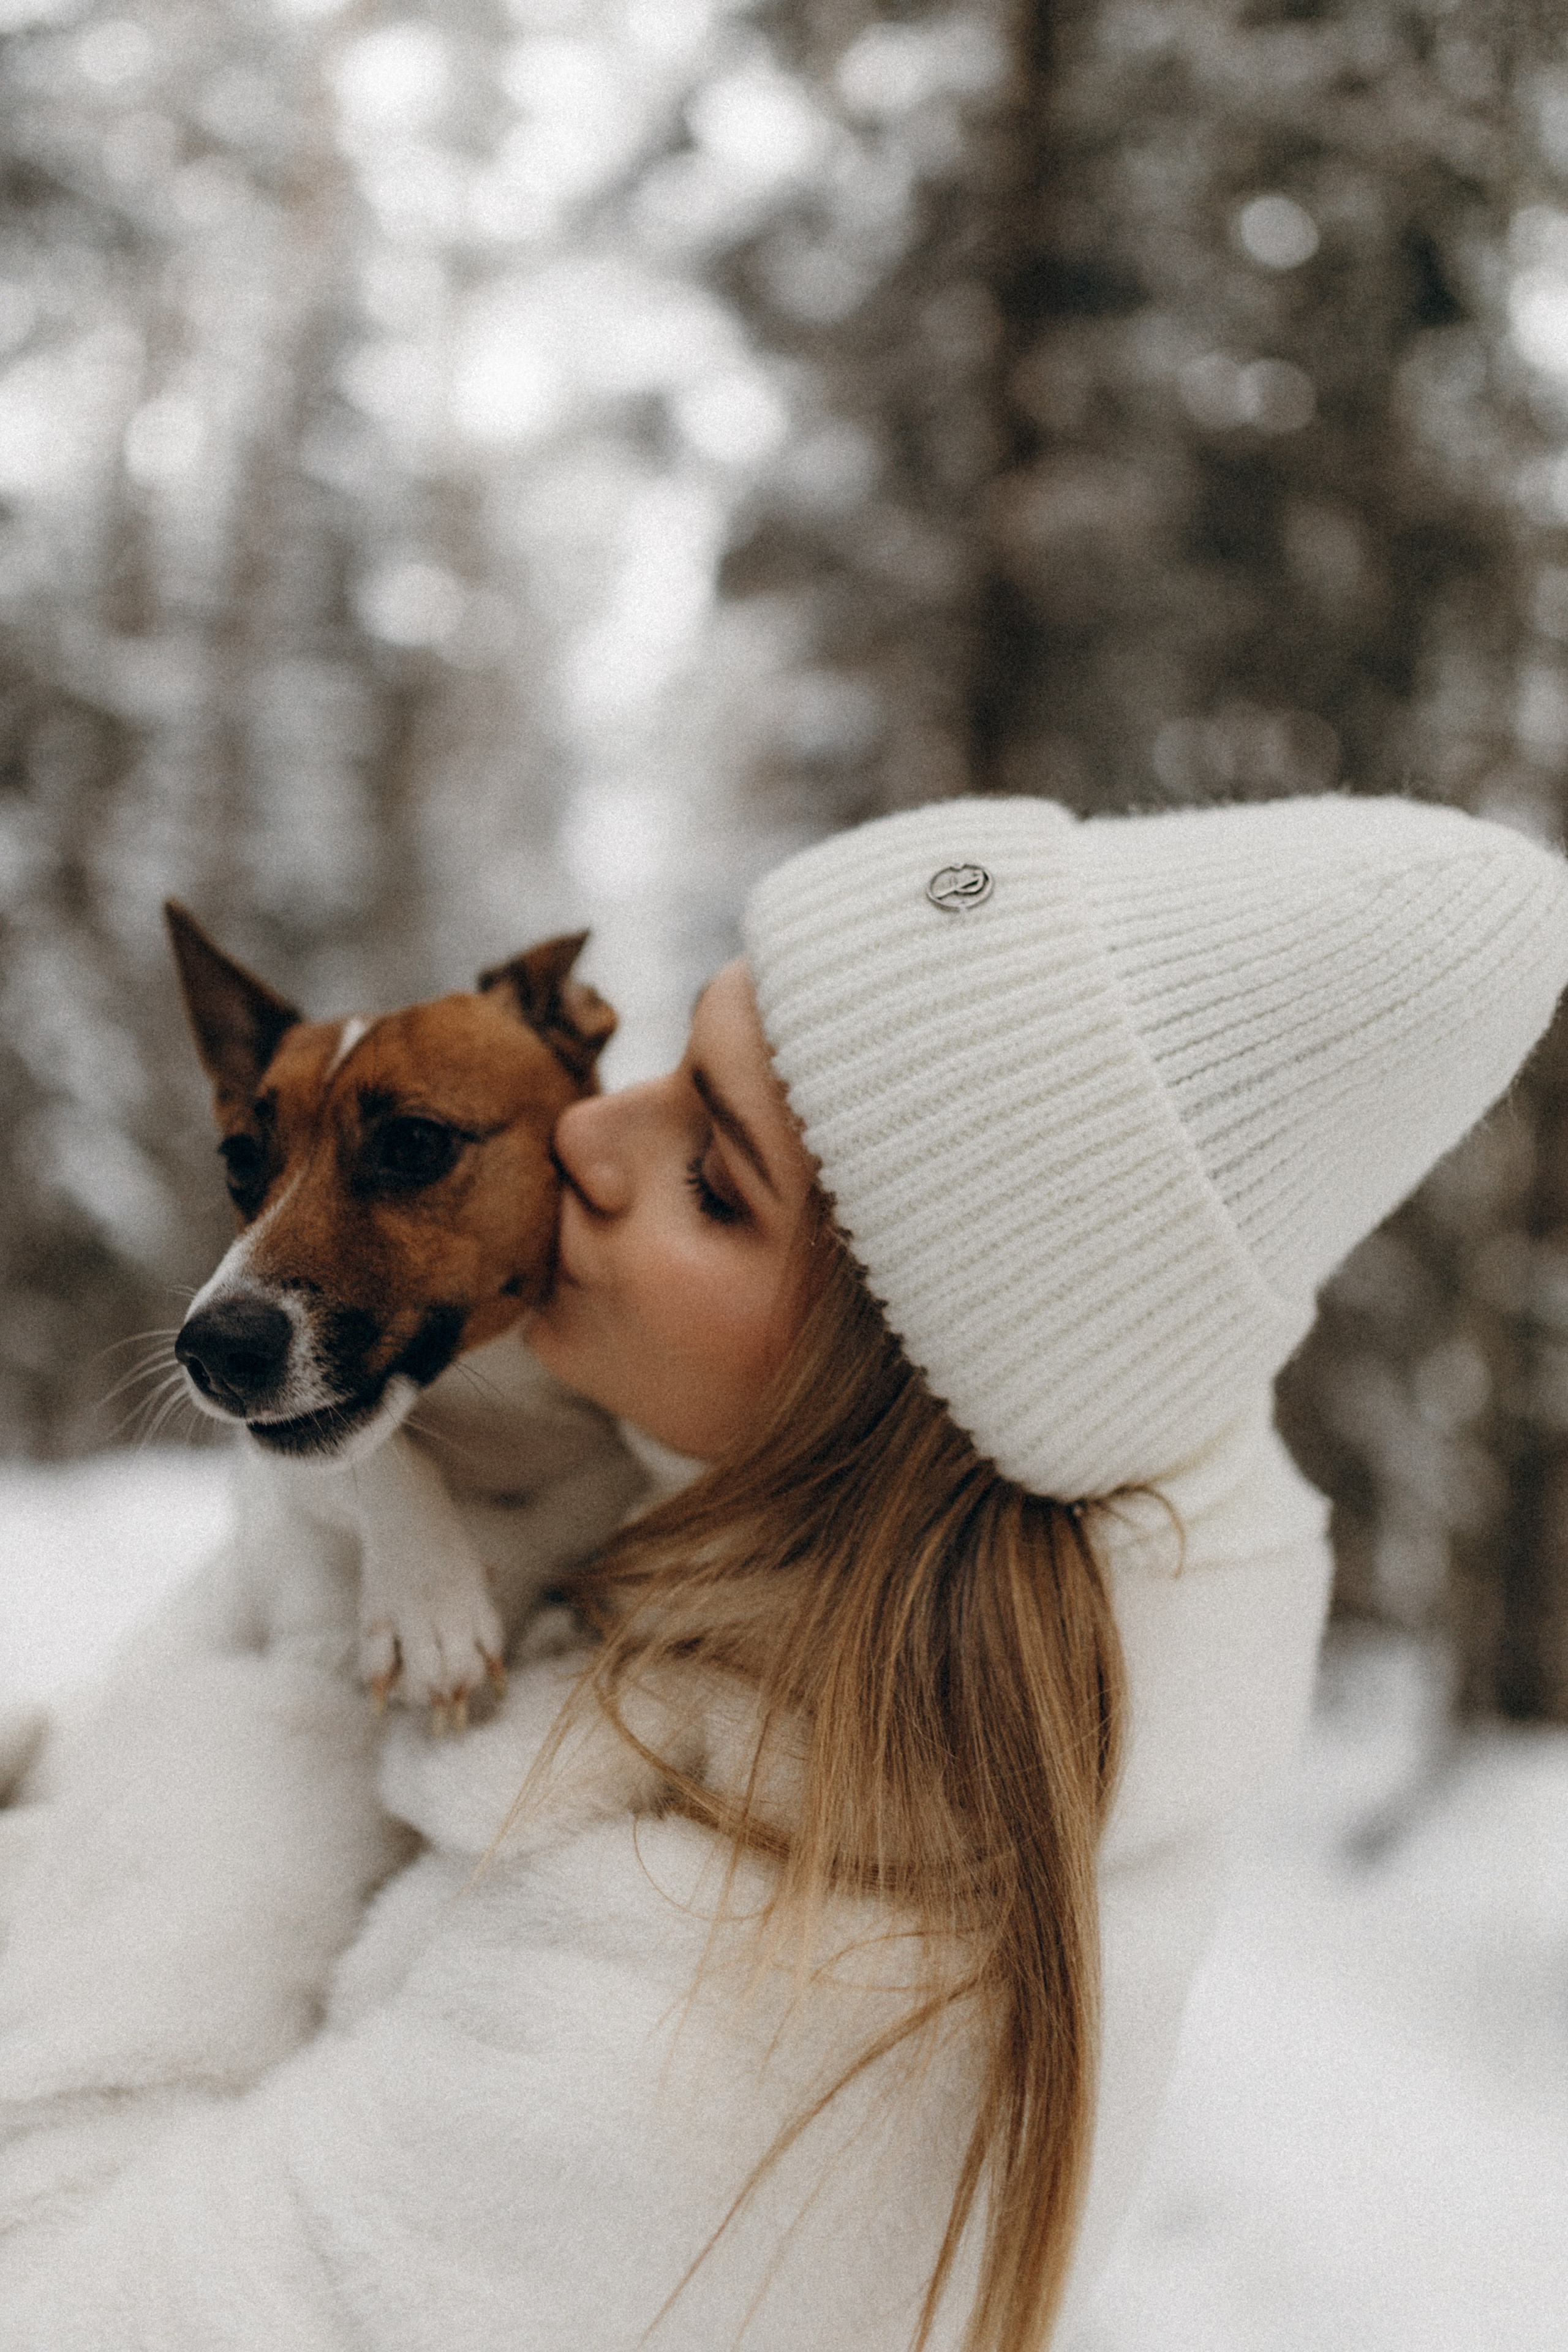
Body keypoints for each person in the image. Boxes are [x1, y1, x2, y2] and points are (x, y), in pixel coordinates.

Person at [0, 793, 1564, 2352]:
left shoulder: (752, 1980)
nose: (582, 1131)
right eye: (669, 1068)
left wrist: (219, 1773)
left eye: (714, 1178)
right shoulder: (711, 1596)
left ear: (901, 1376)